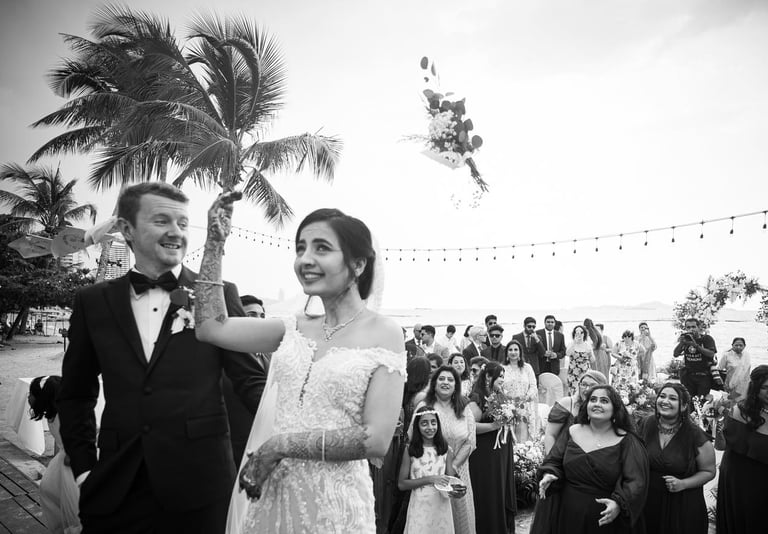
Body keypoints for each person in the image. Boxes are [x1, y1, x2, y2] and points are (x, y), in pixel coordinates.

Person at [57, 183, 265, 534]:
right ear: (127, 230)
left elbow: (249, 380)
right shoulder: (92, 302)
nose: (176, 232)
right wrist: (83, 470)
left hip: (202, 485)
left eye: (183, 223)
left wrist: (298, 428)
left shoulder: (216, 293)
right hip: (115, 485)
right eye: (162, 220)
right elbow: (76, 392)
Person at [195, 197, 406, 533]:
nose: (305, 260)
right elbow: (210, 327)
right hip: (273, 498)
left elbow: (376, 439)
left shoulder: (385, 333)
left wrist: (281, 444)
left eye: (321, 248)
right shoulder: (291, 329)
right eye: (300, 248)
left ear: (358, 264)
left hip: (335, 508)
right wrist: (215, 244)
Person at [538, 384, 648, 534]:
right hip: (568, 513)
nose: (597, 404)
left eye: (604, 401)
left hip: (605, 518)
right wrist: (550, 474)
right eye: (593, 400)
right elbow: (554, 460)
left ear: (615, 408)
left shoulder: (627, 440)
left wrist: (618, 504)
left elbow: (636, 481)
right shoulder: (572, 431)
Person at [530, 371, 608, 534]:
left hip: (584, 470)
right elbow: (550, 435)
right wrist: (553, 464)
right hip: (560, 463)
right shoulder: (567, 403)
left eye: (591, 385)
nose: (586, 389)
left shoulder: (602, 409)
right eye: (583, 384)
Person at [638, 382, 715, 534]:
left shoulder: (695, 435)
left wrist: (683, 484)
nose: (665, 401)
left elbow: (709, 471)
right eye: (662, 396)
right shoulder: (647, 424)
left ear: (684, 406)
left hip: (682, 504)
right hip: (650, 501)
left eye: (673, 398)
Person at [419, 366, 476, 534]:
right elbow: (415, 439)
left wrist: (454, 468)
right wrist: (442, 469)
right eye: (441, 379)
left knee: (461, 518)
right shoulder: (424, 405)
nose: (446, 382)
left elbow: (471, 441)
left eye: (450, 380)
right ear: (434, 383)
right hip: (431, 472)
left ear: (456, 385)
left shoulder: (464, 407)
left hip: (460, 472)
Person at [716, 365, 768, 534]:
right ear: (755, 388)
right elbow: (722, 445)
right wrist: (717, 420)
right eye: (765, 387)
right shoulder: (740, 411)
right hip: (739, 478)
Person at [398, 407, 466, 534]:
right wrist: (430, 479)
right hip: (419, 507)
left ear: (438, 424)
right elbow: (401, 484)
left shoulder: (446, 450)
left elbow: (451, 480)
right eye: (424, 423)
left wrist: (458, 490)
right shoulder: (410, 450)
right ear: (417, 426)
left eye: (433, 422)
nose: (430, 427)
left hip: (441, 507)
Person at [29, 376, 81, 534]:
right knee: (49, 489)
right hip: (63, 459)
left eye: (30, 393)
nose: (28, 397)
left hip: (72, 462)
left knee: (74, 503)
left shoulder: (66, 416)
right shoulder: (53, 413)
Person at [468, 361, 516, 534]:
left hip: (501, 451)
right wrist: (493, 426)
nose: (502, 380)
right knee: (489, 491)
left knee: (500, 489)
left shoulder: (500, 394)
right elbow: (470, 426)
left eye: (503, 376)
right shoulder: (477, 396)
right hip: (485, 454)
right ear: (488, 376)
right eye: (499, 376)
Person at [389, 357, 433, 534]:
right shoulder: (422, 396)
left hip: (403, 445)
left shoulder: (406, 392)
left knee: (401, 493)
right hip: (415, 444)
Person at [502, 340, 538, 442]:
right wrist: (507, 402)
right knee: (508, 437)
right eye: (510, 350)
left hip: (524, 407)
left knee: (522, 438)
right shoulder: (502, 368)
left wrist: (526, 398)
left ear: (520, 352)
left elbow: (533, 386)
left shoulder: (527, 368)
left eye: (516, 350)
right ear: (506, 353)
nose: (513, 352)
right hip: (507, 408)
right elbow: (498, 387)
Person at [672, 318, 717, 397]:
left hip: (703, 376)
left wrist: (695, 345)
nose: (691, 329)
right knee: (688, 400)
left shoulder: (706, 339)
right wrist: (682, 343)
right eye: (688, 327)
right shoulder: (686, 339)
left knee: (701, 401)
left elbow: (711, 354)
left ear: (699, 327)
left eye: (693, 327)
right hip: (688, 376)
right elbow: (675, 354)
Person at [716, 337, 751, 404]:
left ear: (744, 346)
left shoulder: (746, 355)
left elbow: (747, 370)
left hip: (744, 385)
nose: (738, 347)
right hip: (730, 384)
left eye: (741, 345)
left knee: (742, 403)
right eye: (736, 345)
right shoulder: (727, 355)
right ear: (732, 345)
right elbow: (719, 369)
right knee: (730, 403)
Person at [566, 325, 595, 395]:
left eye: (581, 332)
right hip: (573, 374)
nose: (579, 334)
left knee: (585, 392)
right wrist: (574, 342)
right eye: (577, 332)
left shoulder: (587, 345)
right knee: (573, 392)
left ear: (584, 334)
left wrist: (590, 352)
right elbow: (567, 353)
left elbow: (593, 360)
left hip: (585, 373)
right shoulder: (571, 344)